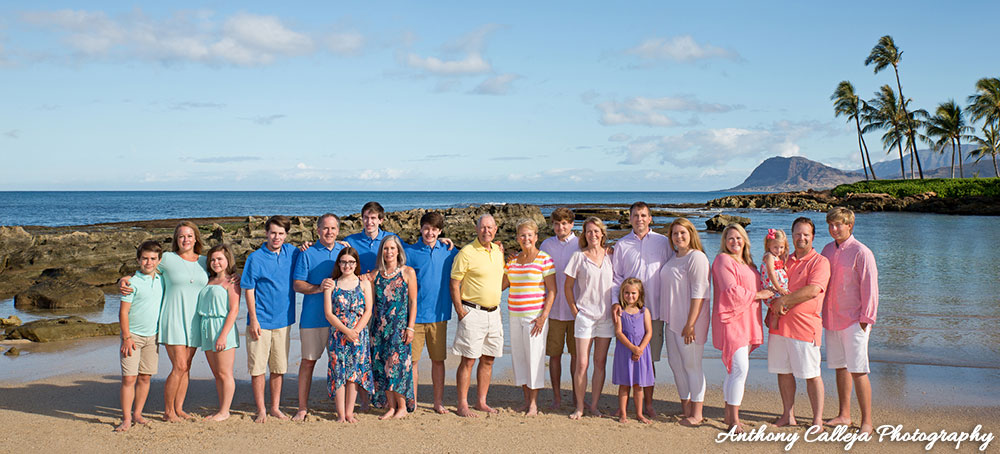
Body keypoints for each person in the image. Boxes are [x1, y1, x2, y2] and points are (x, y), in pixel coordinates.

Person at [120, 221, 208, 422]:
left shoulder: (204, 261)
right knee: (179, 366)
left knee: (187, 366)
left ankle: (179, 408)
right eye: (181, 236)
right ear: (176, 240)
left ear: (196, 238)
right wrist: (123, 280)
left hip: (195, 320)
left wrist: (234, 281)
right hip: (173, 317)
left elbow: (221, 273)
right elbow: (145, 271)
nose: (185, 240)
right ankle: (168, 412)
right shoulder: (167, 259)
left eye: (189, 236)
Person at [610, 201, 673, 417]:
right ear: (630, 218)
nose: (640, 219)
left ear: (650, 218)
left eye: (644, 215)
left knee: (648, 359)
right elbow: (616, 277)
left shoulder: (663, 242)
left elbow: (672, 270)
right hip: (627, 315)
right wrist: (615, 303)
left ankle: (648, 404)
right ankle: (625, 408)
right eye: (636, 215)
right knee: (627, 357)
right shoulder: (622, 245)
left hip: (653, 312)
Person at [767, 217, 830, 429]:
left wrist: (783, 300)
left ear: (812, 237)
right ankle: (788, 415)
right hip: (779, 326)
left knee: (811, 374)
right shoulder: (783, 259)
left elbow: (813, 290)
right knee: (783, 371)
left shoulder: (820, 262)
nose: (801, 238)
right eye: (797, 234)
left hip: (804, 328)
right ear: (791, 236)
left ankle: (817, 420)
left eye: (806, 234)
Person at [822, 207, 879, 434]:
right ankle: (844, 415)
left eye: (839, 225)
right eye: (831, 225)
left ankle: (867, 421)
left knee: (858, 370)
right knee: (840, 367)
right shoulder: (827, 250)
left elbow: (871, 288)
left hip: (856, 321)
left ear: (849, 225)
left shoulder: (861, 252)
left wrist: (866, 319)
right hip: (831, 319)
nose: (834, 229)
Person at [711, 223, 773, 433]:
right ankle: (734, 419)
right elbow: (731, 291)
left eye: (738, 238)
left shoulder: (749, 264)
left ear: (745, 240)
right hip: (732, 320)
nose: (735, 242)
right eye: (730, 238)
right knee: (740, 369)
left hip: (748, 320)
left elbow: (760, 284)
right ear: (724, 242)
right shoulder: (722, 260)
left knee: (734, 370)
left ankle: (730, 417)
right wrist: (759, 295)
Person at [241, 215, 298, 423]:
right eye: (273, 232)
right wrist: (253, 319)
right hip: (260, 322)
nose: (276, 237)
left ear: (286, 235)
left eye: (281, 233)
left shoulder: (292, 252)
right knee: (257, 369)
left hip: (284, 321)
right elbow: (248, 289)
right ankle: (261, 409)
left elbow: (311, 254)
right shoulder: (255, 258)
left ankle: (274, 407)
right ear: (266, 233)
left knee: (278, 367)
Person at [291, 213, 344, 421]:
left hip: (340, 321)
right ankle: (302, 407)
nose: (329, 232)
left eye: (332, 228)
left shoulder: (344, 251)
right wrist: (318, 288)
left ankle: (341, 408)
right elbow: (297, 284)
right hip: (313, 319)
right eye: (325, 228)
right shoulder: (307, 253)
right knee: (308, 362)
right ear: (318, 230)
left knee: (339, 364)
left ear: (338, 230)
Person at [403, 211, 458, 414]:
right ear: (420, 229)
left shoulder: (449, 251)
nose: (430, 232)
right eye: (426, 228)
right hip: (414, 317)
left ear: (440, 231)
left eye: (434, 229)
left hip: (439, 315)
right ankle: (413, 401)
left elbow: (470, 258)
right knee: (413, 361)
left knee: (438, 361)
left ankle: (438, 402)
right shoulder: (410, 252)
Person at [450, 213, 505, 417]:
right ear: (476, 229)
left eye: (490, 227)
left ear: (496, 229)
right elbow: (454, 283)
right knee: (469, 360)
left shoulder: (498, 252)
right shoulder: (466, 252)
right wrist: (460, 311)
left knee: (489, 359)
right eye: (483, 227)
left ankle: (481, 402)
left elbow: (501, 280)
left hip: (495, 313)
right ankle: (462, 404)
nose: (486, 231)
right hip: (472, 312)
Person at [659, 217, 710, 426]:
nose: (678, 237)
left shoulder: (696, 257)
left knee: (692, 366)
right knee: (675, 365)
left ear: (691, 234)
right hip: (671, 321)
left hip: (690, 323)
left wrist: (690, 323)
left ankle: (697, 414)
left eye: (683, 233)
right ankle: (686, 409)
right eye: (675, 233)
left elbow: (700, 293)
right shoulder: (672, 258)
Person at [503, 218, 556, 416]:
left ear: (536, 237)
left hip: (535, 318)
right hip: (514, 316)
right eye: (522, 235)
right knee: (520, 358)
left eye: (530, 235)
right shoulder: (513, 262)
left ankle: (533, 404)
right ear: (517, 238)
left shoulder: (544, 259)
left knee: (535, 359)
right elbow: (501, 285)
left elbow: (552, 291)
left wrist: (543, 316)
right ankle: (526, 401)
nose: (526, 238)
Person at [565, 217, 613, 420]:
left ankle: (594, 405)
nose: (593, 235)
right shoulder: (578, 256)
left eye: (596, 231)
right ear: (584, 235)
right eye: (588, 232)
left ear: (602, 233)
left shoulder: (611, 255)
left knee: (600, 363)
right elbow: (568, 287)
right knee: (582, 364)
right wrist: (576, 312)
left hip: (606, 318)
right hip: (584, 317)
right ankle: (579, 407)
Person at [116, 240, 164, 432]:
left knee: (145, 377)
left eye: (153, 259)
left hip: (153, 337)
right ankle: (126, 418)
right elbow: (123, 313)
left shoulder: (162, 279)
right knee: (129, 378)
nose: (149, 262)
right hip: (132, 337)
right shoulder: (131, 283)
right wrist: (127, 337)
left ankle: (138, 413)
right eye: (145, 258)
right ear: (138, 260)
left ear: (159, 260)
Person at [369, 235, 418, 420]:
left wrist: (410, 327)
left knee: (398, 367)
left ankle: (402, 407)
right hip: (379, 329)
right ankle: (390, 406)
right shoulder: (375, 275)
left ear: (398, 251)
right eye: (385, 248)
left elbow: (413, 302)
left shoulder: (407, 272)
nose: (389, 252)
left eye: (392, 248)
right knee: (382, 367)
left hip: (399, 328)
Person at [324, 247, 374, 423]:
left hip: (359, 334)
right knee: (338, 373)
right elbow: (329, 314)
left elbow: (368, 310)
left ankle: (349, 413)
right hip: (338, 334)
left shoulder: (364, 283)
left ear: (356, 264)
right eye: (344, 262)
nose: (347, 265)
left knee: (353, 374)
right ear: (339, 263)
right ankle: (340, 415)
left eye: (351, 262)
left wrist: (356, 332)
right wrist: (346, 332)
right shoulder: (332, 284)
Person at [538, 207, 579, 409]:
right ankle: (556, 397)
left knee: (576, 356)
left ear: (572, 224)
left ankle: (575, 395)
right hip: (552, 310)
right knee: (554, 355)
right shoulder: (546, 244)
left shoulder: (581, 244)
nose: (560, 227)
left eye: (564, 223)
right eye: (556, 223)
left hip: (576, 310)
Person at [196, 244, 241, 422]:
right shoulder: (207, 279)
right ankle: (221, 407)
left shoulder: (232, 281)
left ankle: (225, 411)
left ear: (228, 260)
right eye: (213, 259)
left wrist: (223, 335)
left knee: (225, 373)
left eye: (220, 259)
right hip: (207, 327)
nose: (216, 262)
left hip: (223, 328)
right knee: (217, 374)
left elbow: (234, 310)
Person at [612, 278, 653, 424]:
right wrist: (632, 348)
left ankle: (640, 414)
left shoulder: (644, 311)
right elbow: (618, 332)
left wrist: (640, 349)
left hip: (641, 353)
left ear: (639, 293)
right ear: (622, 293)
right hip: (625, 351)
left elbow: (649, 332)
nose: (630, 296)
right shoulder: (620, 312)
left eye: (633, 293)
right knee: (625, 385)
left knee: (638, 385)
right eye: (627, 293)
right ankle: (623, 413)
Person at [761, 228, 791, 323]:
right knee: (785, 301)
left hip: (778, 287)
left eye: (781, 247)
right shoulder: (769, 256)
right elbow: (771, 273)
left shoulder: (777, 257)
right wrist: (778, 288)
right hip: (772, 288)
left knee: (788, 302)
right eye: (775, 247)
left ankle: (775, 320)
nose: (778, 250)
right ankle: (773, 321)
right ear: (769, 245)